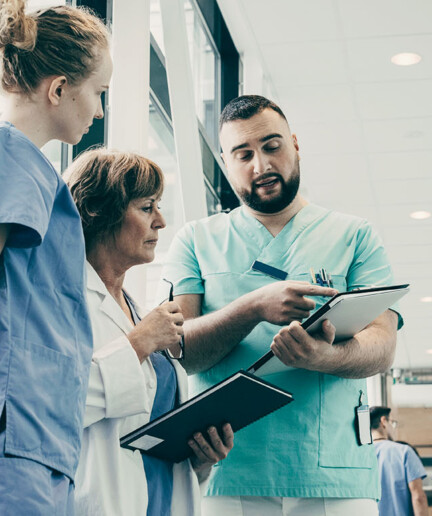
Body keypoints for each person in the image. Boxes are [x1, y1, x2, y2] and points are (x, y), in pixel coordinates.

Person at [162, 94, 402, 516]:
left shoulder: (355, 236)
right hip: (227, 468)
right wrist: (253, 306)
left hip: (334, 473)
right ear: (225, 161)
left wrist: (324, 356)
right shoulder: (195, 241)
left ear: (294, 145)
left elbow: (382, 347)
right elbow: (183, 351)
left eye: (272, 147)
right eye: (244, 154)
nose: (261, 165)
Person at [65, 148, 235, 516]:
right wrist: (139, 343)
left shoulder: (139, 311)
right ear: (101, 213)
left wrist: (200, 458)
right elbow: (57, 405)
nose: (161, 220)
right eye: (146, 207)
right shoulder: (65, 303)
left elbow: (152, 437)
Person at [0, 2, 112, 513]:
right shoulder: (12, 158)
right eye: (99, 93)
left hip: (36, 438)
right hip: (17, 438)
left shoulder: (31, 170)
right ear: (60, 88)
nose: (100, 111)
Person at [370, 406, 428, 516]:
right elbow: (418, 497)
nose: (394, 428)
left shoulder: (359, 456)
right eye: (393, 423)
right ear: (383, 421)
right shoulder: (404, 452)